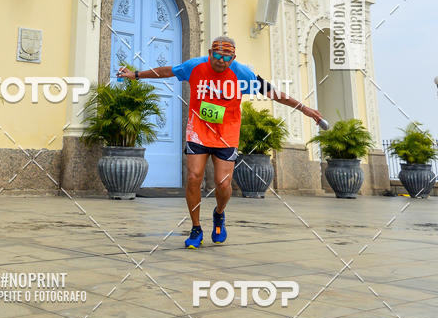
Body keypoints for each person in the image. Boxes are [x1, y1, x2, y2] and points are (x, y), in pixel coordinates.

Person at [117, 36, 328, 248]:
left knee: (223, 183)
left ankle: (219, 214)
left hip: (226, 133)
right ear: (210, 53)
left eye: (226, 57)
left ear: (233, 57)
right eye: (217, 55)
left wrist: (305, 109)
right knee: (193, 177)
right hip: (198, 130)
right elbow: (166, 71)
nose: (221, 61)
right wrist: (135, 75)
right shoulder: (195, 66)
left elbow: (273, 92)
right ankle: (196, 228)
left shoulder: (241, 73)